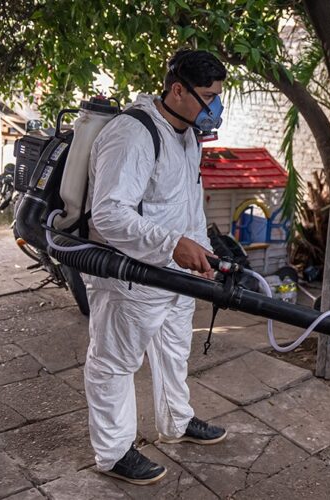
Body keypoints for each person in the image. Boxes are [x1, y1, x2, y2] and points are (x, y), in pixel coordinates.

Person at [82, 49, 228, 486]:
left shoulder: (186, 135)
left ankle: (177, 422)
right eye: (207, 96)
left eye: (219, 96)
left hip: (176, 272)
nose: (214, 107)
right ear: (177, 90)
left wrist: (202, 251)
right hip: (131, 275)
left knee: (173, 348)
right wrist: (170, 244)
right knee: (114, 361)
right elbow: (107, 213)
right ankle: (113, 452)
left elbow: (186, 206)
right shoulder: (133, 134)